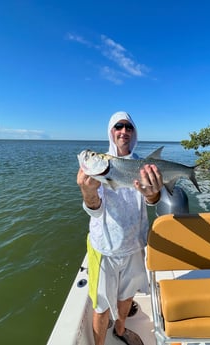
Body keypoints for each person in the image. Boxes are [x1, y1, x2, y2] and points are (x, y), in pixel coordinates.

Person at [77, 111, 163, 345]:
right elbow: (95, 209)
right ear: (111, 131)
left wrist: (153, 193)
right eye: (118, 127)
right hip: (105, 248)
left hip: (135, 246)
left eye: (128, 127)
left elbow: (151, 201)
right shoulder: (102, 165)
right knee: (101, 306)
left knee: (127, 297)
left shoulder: (143, 166)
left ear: (134, 133)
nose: (123, 131)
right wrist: (88, 192)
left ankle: (121, 330)